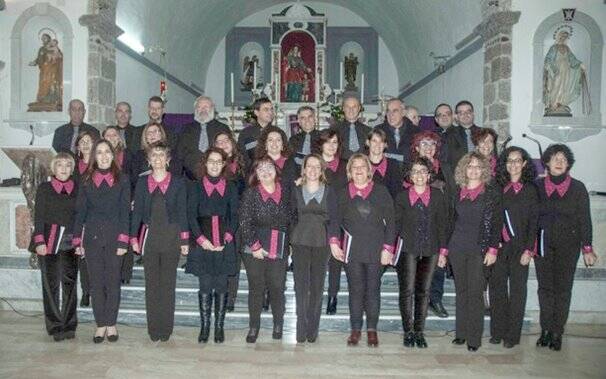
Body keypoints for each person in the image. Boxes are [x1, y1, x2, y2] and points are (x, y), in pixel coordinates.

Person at [535, 144, 597, 351]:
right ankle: (545, 330)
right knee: (545, 289)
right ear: (547, 163)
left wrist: (587, 248)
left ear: (569, 163)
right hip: (542, 244)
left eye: (563, 159)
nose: (559, 162)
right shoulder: (537, 186)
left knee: (562, 289)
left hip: (568, 246)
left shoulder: (578, 188)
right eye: (555, 158)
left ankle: (557, 331)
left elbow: (585, 220)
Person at [331, 154, 395, 347]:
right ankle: (356, 329)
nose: (358, 170)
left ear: (369, 170)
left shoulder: (381, 191)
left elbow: (391, 222)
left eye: (362, 167)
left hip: (376, 249)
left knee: (373, 290)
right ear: (349, 172)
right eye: (354, 167)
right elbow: (334, 221)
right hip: (352, 250)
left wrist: (388, 248)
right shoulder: (342, 193)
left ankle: (372, 330)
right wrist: (334, 242)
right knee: (356, 290)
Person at [441, 152, 502, 352]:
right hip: (457, 247)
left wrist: (493, 248)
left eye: (478, 166)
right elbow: (449, 222)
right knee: (461, 292)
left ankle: (474, 338)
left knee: (475, 293)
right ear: (463, 170)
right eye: (470, 166)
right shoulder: (457, 192)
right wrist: (445, 249)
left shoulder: (491, 194)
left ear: (484, 170)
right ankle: (461, 333)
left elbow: (496, 224)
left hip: (479, 249)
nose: (474, 170)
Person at [130, 142, 189, 342]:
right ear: (148, 160)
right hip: (149, 239)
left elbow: (182, 212)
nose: (157, 159)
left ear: (168, 159)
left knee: (167, 284)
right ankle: (153, 328)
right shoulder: (141, 183)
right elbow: (137, 212)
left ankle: (166, 329)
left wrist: (184, 239)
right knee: (152, 285)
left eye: (161, 155)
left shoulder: (178, 183)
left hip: (171, 238)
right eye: (153, 155)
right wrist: (133, 238)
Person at [73, 139, 131, 343]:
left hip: (116, 237)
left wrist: (124, 241)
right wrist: (77, 240)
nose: (104, 156)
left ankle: (111, 323)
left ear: (113, 155)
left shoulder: (123, 179)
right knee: (96, 283)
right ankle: (100, 324)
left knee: (113, 283)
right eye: (99, 152)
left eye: (108, 152)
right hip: (92, 238)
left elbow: (125, 212)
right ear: (94, 157)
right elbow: (80, 212)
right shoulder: (86, 179)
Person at [186, 148, 239, 343]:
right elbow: (190, 215)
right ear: (205, 163)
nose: (215, 164)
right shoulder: (196, 187)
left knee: (222, 285)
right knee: (206, 285)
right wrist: (201, 239)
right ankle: (205, 326)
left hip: (225, 242)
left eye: (219, 161)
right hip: (203, 242)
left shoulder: (231, 187)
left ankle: (219, 327)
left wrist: (227, 236)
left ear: (224, 164)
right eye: (211, 161)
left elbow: (234, 215)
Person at [394, 157, 448, 348]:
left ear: (429, 174)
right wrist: (389, 248)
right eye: (415, 171)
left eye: (423, 171)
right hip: (408, 250)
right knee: (407, 291)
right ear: (409, 175)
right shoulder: (401, 197)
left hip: (431, 250)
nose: (419, 175)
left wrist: (443, 252)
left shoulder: (438, 196)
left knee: (424, 292)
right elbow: (395, 226)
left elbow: (443, 226)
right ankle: (408, 331)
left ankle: (419, 332)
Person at [238, 156, 293, 343]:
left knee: (277, 287)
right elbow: (244, 221)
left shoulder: (286, 191)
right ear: (256, 174)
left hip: (279, 244)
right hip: (254, 247)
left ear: (276, 170)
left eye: (269, 167)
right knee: (256, 288)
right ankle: (254, 326)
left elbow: (293, 218)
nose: (265, 171)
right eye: (260, 169)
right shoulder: (250, 193)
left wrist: (290, 244)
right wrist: (255, 246)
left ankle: (279, 323)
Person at [490, 146, 538, 348]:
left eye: (518, 160)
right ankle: (498, 331)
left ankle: (512, 335)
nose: (513, 164)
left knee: (517, 292)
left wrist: (529, 250)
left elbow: (534, 222)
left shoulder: (530, 190)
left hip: (520, 248)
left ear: (524, 163)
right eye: (509, 160)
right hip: (499, 247)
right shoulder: (497, 187)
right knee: (497, 290)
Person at [290, 154, 339, 343]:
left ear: (321, 170)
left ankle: (313, 331)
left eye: (316, 167)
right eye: (309, 166)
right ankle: (300, 331)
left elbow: (335, 219)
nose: (312, 170)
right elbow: (290, 216)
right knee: (300, 287)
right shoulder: (295, 191)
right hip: (300, 241)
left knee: (317, 287)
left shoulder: (330, 191)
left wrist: (334, 241)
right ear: (303, 169)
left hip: (321, 242)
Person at [33, 152, 78, 341]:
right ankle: (54, 326)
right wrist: (39, 241)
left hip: (70, 242)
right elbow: (39, 216)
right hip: (49, 240)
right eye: (60, 165)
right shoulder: (44, 188)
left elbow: (79, 216)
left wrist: (80, 240)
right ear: (54, 168)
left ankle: (68, 325)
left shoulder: (77, 188)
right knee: (50, 284)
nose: (64, 169)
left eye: (68, 165)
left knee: (70, 284)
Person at [409, 130, 452, 318]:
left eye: (432, 144)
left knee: (438, 267)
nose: (428, 148)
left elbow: (452, 198)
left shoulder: (446, 169)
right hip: (416, 225)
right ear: (417, 148)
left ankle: (435, 300)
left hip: (438, 224)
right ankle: (418, 303)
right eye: (424, 144)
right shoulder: (409, 168)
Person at [315, 129, 348, 315]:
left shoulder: (345, 165)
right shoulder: (313, 164)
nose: (331, 146)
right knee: (318, 260)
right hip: (317, 219)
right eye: (328, 142)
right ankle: (316, 295)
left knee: (336, 261)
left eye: (335, 142)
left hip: (339, 219)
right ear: (321, 144)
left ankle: (333, 297)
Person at [213, 131, 246, 312]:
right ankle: (220, 293)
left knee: (233, 257)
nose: (223, 143)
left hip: (237, 216)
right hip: (216, 217)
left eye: (226, 140)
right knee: (219, 257)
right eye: (219, 141)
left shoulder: (242, 164)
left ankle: (230, 297)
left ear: (233, 143)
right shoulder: (212, 165)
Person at [177, 96, 231, 180]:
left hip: (219, 178)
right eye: (199, 107)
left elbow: (229, 154)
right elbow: (180, 154)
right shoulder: (186, 129)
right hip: (191, 179)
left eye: (206, 107)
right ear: (195, 110)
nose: (203, 110)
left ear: (212, 108)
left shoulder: (223, 128)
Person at [72, 131, 98, 307]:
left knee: (95, 254)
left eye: (89, 141)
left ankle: (96, 289)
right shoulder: (72, 166)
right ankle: (86, 291)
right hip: (78, 215)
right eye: (82, 142)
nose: (86, 144)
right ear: (78, 147)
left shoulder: (100, 165)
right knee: (82, 255)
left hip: (96, 216)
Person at [374, 98, 420, 164]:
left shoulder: (416, 132)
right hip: (386, 171)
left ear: (403, 113)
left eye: (395, 111)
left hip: (408, 171)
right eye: (388, 111)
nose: (390, 114)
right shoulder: (378, 131)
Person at [254, 125, 298, 193]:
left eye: (278, 140)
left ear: (282, 146)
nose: (274, 143)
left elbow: (294, 189)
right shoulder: (257, 164)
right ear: (265, 145)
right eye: (270, 140)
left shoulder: (291, 164)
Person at [365, 128, 403, 199]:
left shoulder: (393, 165)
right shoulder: (361, 164)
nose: (377, 144)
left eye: (381, 141)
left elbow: (398, 194)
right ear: (368, 142)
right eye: (374, 141)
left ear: (385, 145)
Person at [237, 97, 274, 168]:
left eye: (271, 109)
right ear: (256, 112)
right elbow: (242, 157)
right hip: (252, 173)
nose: (270, 112)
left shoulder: (278, 132)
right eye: (266, 109)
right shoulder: (245, 133)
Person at [444, 100, 481, 169]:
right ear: (456, 116)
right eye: (461, 113)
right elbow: (445, 163)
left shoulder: (484, 133)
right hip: (457, 177)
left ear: (473, 114)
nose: (465, 115)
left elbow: (493, 159)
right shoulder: (448, 135)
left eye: (468, 111)